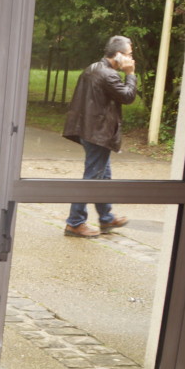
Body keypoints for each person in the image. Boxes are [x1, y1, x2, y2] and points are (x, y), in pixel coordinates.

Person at [61, 35, 138, 238]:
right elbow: (128, 96)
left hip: (90, 130)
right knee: (92, 178)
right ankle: (75, 223)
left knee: (103, 176)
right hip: (98, 133)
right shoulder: (108, 75)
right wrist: (131, 74)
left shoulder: (93, 68)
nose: (132, 60)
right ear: (119, 55)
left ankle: (106, 218)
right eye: (129, 55)